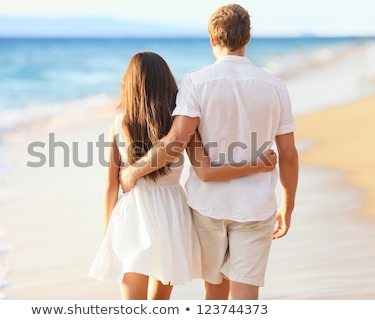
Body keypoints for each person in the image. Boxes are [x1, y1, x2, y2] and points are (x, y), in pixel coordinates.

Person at [119, 4, 299, 300]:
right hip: (256, 206)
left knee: (214, 291)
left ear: (212, 40)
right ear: (248, 38)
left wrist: (133, 171)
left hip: (207, 206)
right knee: (245, 293)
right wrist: (287, 206)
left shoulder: (197, 81)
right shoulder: (275, 86)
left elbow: (176, 141)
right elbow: (289, 155)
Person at [88, 51, 278, 300]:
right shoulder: (180, 123)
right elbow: (205, 170)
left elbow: (109, 185)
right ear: (167, 80)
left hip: (132, 214)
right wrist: (257, 164)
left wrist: (108, 235)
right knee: (159, 303)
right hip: (171, 214)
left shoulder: (120, 119)